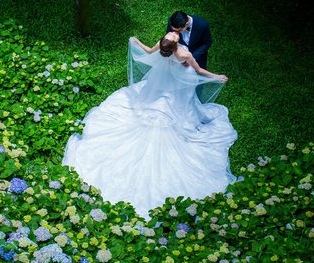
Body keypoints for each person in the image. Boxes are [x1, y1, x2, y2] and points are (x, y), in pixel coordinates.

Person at [62, 31, 237, 219]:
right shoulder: (183, 55)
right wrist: (216, 76)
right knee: (180, 108)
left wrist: (137, 42)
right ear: (174, 43)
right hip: (177, 87)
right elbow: (198, 70)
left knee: (162, 103)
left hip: (161, 83)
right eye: (172, 35)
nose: (172, 33)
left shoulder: (162, 45)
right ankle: (185, 122)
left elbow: (148, 51)